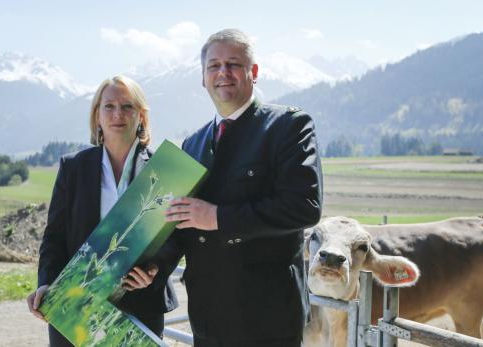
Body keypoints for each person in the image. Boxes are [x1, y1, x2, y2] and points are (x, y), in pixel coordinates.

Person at [157, 29, 323, 347]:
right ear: (203, 78)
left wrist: (219, 217)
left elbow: (304, 206)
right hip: (208, 316)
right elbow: (182, 223)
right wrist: (152, 264)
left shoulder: (289, 127)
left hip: (268, 317)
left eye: (233, 63)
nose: (223, 73)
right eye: (214, 66)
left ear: (254, 72)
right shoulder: (193, 143)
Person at [26, 75, 178, 346]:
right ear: (97, 115)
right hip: (76, 304)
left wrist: (155, 269)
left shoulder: (165, 170)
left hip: (142, 303)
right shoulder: (73, 168)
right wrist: (46, 283)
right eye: (109, 106)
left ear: (141, 115)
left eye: (127, 106)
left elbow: (177, 236)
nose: (117, 114)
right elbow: (54, 237)